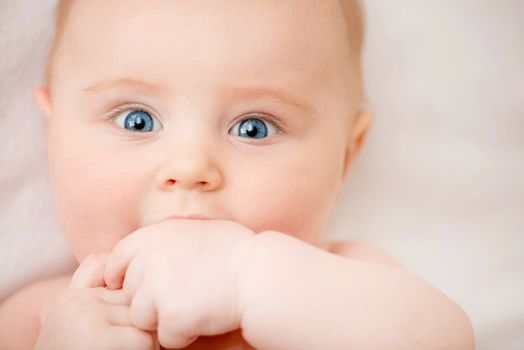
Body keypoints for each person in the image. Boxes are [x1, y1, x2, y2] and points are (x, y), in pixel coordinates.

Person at [0, 0, 475, 349]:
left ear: (345, 158)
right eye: (136, 120)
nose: (189, 168)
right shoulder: (44, 315)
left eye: (254, 127)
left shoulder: (342, 283)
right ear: (52, 132)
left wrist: (248, 279)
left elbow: (446, 340)